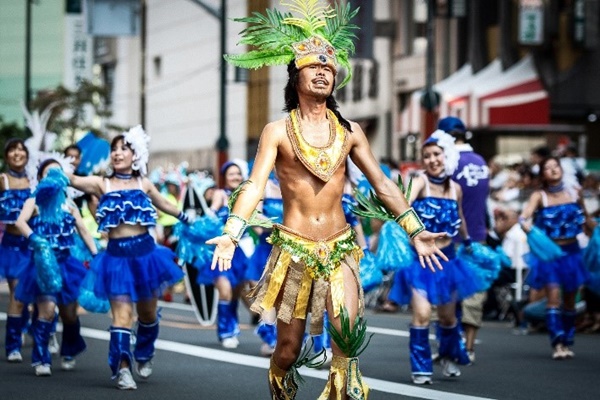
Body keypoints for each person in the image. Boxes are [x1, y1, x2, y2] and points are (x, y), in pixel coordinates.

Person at [210, 3, 446, 398]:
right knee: (287, 349)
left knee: (346, 344)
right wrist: (232, 233)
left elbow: (383, 184)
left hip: (340, 249)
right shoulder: (277, 131)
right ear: (294, 74)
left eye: (329, 69)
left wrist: (415, 230)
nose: (322, 73)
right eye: (313, 67)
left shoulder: (350, 131)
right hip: (294, 251)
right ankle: (280, 387)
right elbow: (253, 184)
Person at [67, 125, 186, 389]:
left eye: (124, 148)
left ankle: (144, 352)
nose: (118, 153)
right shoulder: (102, 183)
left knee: (147, 314)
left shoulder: (144, 183)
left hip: (146, 255)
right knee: (121, 317)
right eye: (114, 149)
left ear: (136, 155)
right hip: (116, 259)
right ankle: (122, 369)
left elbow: (164, 204)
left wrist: (186, 219)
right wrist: (57, 166)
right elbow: (73, 179)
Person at [387, 130, 485, 385]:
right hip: (420, 260)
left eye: (437, 154)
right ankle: (421, 367)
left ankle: (449, 357)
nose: (432, 160)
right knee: (421, 315)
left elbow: (460, 218)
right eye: (427, 156)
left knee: (448, 317)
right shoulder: (420, 182)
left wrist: (468, 242)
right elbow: (403, 207)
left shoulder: (456, 189)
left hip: (448, 259)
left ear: (446, 156)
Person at [14, 157, 97, 376]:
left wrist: (96, 254)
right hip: (42, 265)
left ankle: (69, 349)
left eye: (57, 173)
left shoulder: (69, 205)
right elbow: (20, 222)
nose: (53, 177)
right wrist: (36, 239)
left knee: (69, 314)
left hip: (67, 264)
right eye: (48, 173)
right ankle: (41, 358)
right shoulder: (34, 201)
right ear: (40, 177)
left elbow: (84, 230)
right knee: (47, 311)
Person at [519, 156, 595, 359]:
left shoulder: (574, 192)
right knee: (553, 298)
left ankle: (568, 340)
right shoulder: (539, 196)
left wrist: (594, 232)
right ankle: (557, 343)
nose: (553, 170)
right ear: (543, 174)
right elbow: (524, 216)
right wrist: (526, 226)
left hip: (573, 252)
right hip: (550, 255)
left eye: (556, 166)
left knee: (570, 301)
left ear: (562, 169)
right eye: (548, 168)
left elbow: (586, 218)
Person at [438, 116, 490, 363]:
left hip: (452, 238)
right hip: (478, 235)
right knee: (474, 294)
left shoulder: (449, 163)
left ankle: (453, 348)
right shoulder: (480, 161)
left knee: (450, 296)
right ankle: (468, 348)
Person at [197, 160, 251, 349]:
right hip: (220, 251)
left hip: (238, 253)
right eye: (231, 174)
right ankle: (225, 332)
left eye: (238, 174)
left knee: (236, 293)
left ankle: (232, 327)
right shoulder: (220, 194)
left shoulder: (247, 197)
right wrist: (207, 222)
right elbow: (210, 214)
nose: (235, 177)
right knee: (225, 291)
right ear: (225, 178)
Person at [0, 138, 32, 362]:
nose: (17, 153)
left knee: (33, 294)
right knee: (17, 293)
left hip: (33, 244)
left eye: (21, 149)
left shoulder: (35, 181)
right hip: (12, 245)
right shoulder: (2, 179)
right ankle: (13, 344)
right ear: (6, 156)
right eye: (13, 150)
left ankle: (29, 328)